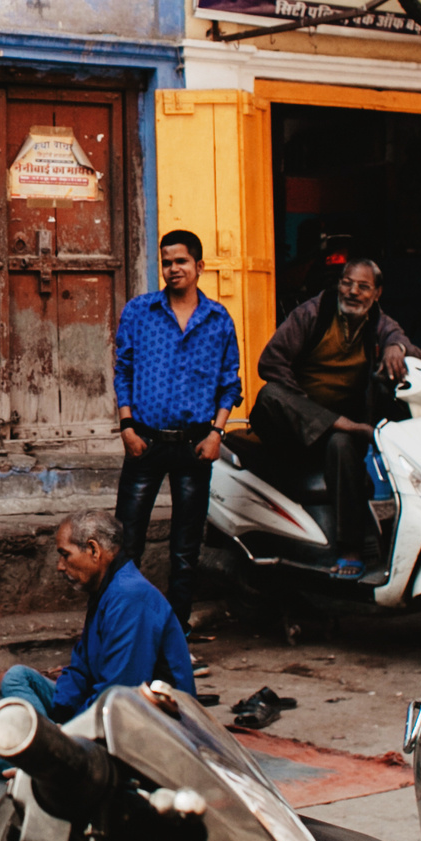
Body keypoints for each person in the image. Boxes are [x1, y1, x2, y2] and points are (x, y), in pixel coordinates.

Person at [249, 258, 421, 580]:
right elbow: (270, 363)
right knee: (269, 394)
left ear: (377, 293)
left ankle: (350, 549)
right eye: (346, 282)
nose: (353, 291)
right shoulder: (312, 313)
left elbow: (404, 343)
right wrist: (304, 407)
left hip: (332, 436)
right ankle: (342, 424)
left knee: (343, 443)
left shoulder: (376, 322)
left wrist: (396, 347)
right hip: (288, 426)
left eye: (363, 286)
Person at [110, 230, 241, 625]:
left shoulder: (218, 320)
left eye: (181, 261)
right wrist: (127, 427)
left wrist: (217, 433)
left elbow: (229, 382)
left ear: (199, 266)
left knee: (185, 549)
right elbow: (123, 369)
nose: (173, 269)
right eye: (166, 262)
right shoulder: (140, 311)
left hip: (196, 446)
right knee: (126, 542)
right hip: (144, 442)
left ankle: (176, 630)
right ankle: (122, 627)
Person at [0, 511, 195, 730]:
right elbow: (82, 669)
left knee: (8, 751)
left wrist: (72, 730)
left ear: (93, 550)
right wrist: (62, 712)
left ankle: (48, 744)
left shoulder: (130, 597)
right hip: (105, 705)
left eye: (65, 555)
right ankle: (46, 739)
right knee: (17, 678)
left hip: (152, 725)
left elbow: (120, 695)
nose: (60, 566)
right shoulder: (106, 590)